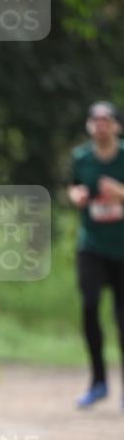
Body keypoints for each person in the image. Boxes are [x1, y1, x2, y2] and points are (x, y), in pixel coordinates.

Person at [68, 100, 124, 409]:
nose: (100, 125)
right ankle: (98, 383)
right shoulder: (81, 158)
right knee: (89, 308)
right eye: (95, 120)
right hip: (91, 245)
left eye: (106, 119)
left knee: (123, 319)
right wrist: (74, 195)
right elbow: (75, 187)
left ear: (116, 125)